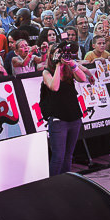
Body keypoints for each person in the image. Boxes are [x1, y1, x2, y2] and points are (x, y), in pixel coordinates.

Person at [39, 41, 87, 176]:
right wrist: (58, 66)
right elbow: (54, 87)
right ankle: (53, 184)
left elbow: (83, 78)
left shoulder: (69, 69)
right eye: (58, 53)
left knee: (68, 156)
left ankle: (66, 182)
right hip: (58, 120)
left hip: (74, 117)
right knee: (58, 157)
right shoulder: (47, 72)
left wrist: (71, 64)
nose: (61, 56)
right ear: (52, 56)